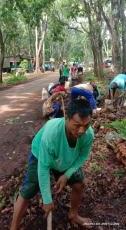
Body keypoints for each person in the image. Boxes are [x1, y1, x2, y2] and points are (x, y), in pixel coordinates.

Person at [10, 98, 94, 229]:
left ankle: (73, 215)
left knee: (79, 184)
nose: (82, 130)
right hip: (41, 154)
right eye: (77, 125)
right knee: (29, 189)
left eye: (86, 125)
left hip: (65, 158)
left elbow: (83, 156)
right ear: (67, 118)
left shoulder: (88, 135)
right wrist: (47, 200)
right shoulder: (52, 133)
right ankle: (13, 227)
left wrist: (67, 175)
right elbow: (43, 167)